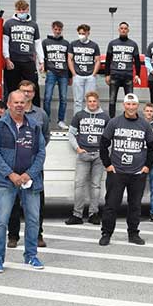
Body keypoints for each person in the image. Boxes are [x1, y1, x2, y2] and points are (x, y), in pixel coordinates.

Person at [0, 90, 46, 273]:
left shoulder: (34, 126)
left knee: (33, 220)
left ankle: (31, 255)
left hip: (30, 181)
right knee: (1, 221)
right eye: (16, 102)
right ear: (9, 104)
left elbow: (41, 152)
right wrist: (10, 174)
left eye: (22, 102)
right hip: (5, 182)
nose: (19, 105)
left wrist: (29, 174)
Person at [99, 93, 153, 246]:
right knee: (111, 205)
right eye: (128, 104)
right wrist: (107, 164)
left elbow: (152, 146)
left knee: (135, 206)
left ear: (137, 106)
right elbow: (103, 144)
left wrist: (147, 166)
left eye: (133, 104)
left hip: (137, 173)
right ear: (124, 105)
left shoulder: (144, 125)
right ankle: (106, 233)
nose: (131, 107)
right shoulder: (114, 122)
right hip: (117, 172)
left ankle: (133, 233)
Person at [8, 80, 51, 249]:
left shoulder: (41, 114)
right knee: (13, 202)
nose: (26, 94)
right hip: (14, 165)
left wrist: (33, 152)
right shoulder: (9, 113)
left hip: (34, 167)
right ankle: (13, 236)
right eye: (23, 91)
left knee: (37, 203)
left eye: (29, 91)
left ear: (34, 93)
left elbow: (45, 137)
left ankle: (37, 235)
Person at [66, 90, 109, 225]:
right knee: (79, 185)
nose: (92, 103)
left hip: (98, 156)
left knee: (96, 186)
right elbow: (71, 134)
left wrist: (105, 151)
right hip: (83, 155)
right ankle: (77, 215)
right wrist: (77, 148)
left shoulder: (105, 117)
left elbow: (109, 136)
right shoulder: (79, 115)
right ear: (86, 102)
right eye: (90, 101)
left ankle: (93, 214)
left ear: (98, 102)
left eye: (94, 101)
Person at [2, 0, 43, 106]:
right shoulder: (9, 23)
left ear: (27, 10)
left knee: (33, 87)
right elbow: (5, 42)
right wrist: (7, 59)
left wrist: (41, 61)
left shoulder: (33, 25)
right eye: (19, 10)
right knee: (12, 88)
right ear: (15, 10)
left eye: (23, 10)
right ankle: (11, 110)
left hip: (28, 61)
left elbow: (38, 43)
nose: (21, 12)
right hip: (13, 61)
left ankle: (35, 110)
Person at [104, 21, 142, 118]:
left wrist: (137, 74)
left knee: (130, 100)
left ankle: (128, 118)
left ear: (128, 30)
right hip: (115, 75)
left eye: (125, 28)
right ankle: (112, 119)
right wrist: (107, 74)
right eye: (122, 28)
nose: (123, 30)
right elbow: (108, 60)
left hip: (128, 76)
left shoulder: (133, 44)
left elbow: (137, 61)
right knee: (112, 99)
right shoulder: (112, 43)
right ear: (119, 30)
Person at [41, 20, 71, 129]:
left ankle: (61, 120)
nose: (57, 31)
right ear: (52, 29)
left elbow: (69, 59)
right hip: (51, 72)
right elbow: (42, 56)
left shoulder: (66, 43)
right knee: (47, 97)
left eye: (59, 29)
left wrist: (70, 76)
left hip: (63, 73)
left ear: (62, 30)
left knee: (63, 98)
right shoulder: (45, 42)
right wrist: (44, 69)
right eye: (56, 29)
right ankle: (46, 120)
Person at [69, 24, 100, 115]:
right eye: (80, 33)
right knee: (77, 101)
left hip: (90, 76)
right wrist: (74, 73)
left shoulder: (94, 45)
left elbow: (97, 60)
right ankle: (77, 120)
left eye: (83, 33)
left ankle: (89, 118)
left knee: (91, 100)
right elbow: (70, 59)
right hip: (78, 76)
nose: (81, 35)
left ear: (88, 33)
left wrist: (94, 74)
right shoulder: (73, 44)